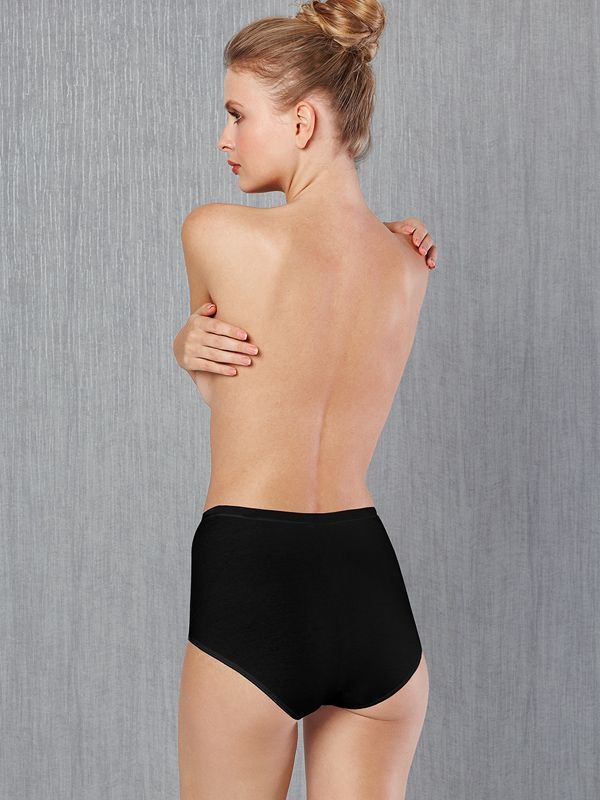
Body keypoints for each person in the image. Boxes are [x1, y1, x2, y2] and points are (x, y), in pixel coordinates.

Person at [173, 2, 436, 798]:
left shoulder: (215, 233)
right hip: (369, 591)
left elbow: (224, 388)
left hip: (254, 581)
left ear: (302, 121)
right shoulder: (409, 261)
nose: (224, 139)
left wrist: (183, 347)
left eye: (237, 115)